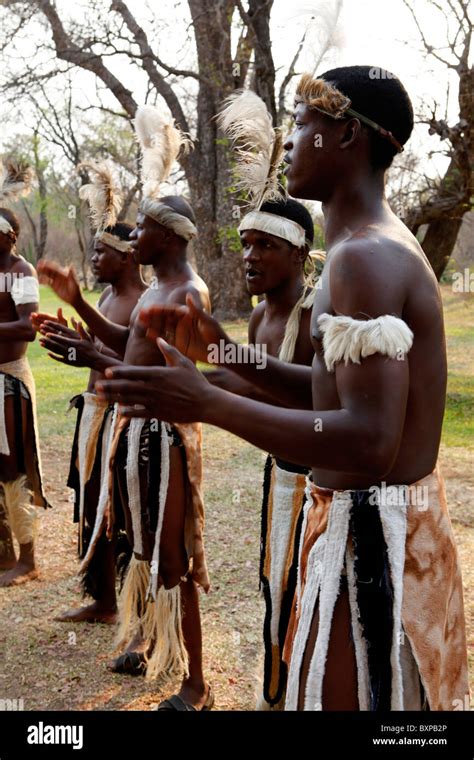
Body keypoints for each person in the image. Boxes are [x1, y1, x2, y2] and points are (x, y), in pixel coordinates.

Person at [96, 67, 469, 711]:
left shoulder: (364, 258)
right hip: (371, 531)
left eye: (303, 124)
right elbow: (331, 393)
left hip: (377, 549)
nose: (290, 141)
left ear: (347, 134)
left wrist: (209, 404)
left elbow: (369, 442)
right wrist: (220, 354)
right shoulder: (361, 247)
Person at [38, 104, 213, 710]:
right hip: (135, 437)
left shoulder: (188, 293)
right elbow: (126, 346)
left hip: (164, 440)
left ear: (166, 235)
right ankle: (147, 645)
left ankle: (196, 683)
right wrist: (81, 320)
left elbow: (171, 378)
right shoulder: (159, 289)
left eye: (140, 230)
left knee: (173, 557)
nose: (132, 237)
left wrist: (101, 363)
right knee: (139, 546)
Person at [206, 197, 317, 709]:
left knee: (307, 599)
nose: (249, 256)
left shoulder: (317, 316)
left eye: (265, 246)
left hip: (320, 490)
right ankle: (279, 695)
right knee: (277, 589)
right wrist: (188, 382)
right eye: (246, 245)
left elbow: (317, 398)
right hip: (279, 479)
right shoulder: (257, 320)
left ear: (299, 254)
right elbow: (244, 381)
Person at [33, 221, 146, 623]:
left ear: (127, 255)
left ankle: (136, 608)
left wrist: (90, 355)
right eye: (93, 250)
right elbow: (95, 349)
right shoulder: (106, 299)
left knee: (123, 512)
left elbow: (139, 370)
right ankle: (103, 601)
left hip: (124, 420)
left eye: (101, 252)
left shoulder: (143, 303)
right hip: (94, 413)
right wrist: (68, 343)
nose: (93, 259)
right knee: (91, 505)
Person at [0, 160, 50, 588]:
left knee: (14, 465)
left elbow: (27, 327)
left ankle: (28, 557)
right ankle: (2, 552)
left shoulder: (21, 272)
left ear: (9, 236)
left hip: (10, 381)